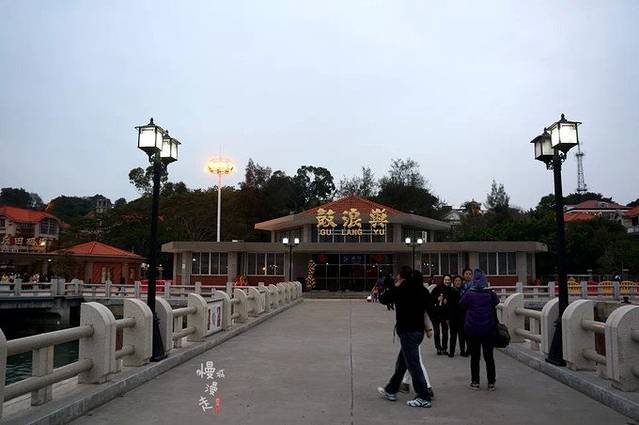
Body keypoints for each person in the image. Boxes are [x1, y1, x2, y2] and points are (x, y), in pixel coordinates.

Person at [377, 266, 434, 408]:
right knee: (402, 363)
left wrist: (396, 286)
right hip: (418, 332)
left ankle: (423, 396)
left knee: (413, 364)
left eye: (398, 276)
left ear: (402, 278)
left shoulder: (402, 289)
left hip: (407, 332)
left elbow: (383, 299)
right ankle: (391, 389)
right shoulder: (423, 290)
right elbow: (429, 307)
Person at [460, 268, 500, 391]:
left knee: (475, 357)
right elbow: (497, 302)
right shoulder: (490, 293)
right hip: (488, 329)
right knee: (489, 357)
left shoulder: (469, 293)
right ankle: (491, 382)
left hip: (472, 329)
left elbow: (461, 304)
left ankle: (475, 382)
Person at [399, 269, 435, 399]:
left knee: (415, 360)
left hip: (410, 332)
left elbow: (424, 312)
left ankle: (427, 388)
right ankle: (404, 383)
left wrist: (429, 328)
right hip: (414, 332)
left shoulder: (410, 293)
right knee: (407, 358)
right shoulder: (421, 292)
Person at [430, 274, 451, 355]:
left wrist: (447, 302)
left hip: (445, 314)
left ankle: (444, 348)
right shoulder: (437, 288)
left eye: (449, 280)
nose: (447, 281)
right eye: (446, 280)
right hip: (435, 314)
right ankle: (438, 348)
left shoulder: (451, 290)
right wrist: (437, 299)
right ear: (443, 280)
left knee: (445, 332)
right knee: (437, 332)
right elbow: (430, 298)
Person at [448, 275, 467, 357]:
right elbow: (449, 305)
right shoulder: (451, 290)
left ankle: (462, 351)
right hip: (453, 316)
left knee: (462, 335)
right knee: (453, 335)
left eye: (459, 280)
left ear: (462, 282)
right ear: (453, 282)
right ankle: (451, 352)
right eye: (456, 280)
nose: (457, 282)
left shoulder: (464, 291)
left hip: (462, 316)